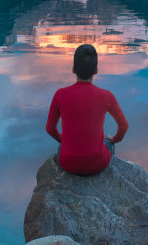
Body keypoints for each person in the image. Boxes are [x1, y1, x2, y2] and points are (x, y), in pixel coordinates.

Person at [45, 43, 129, 175]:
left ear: (73, 69)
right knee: (108, 145)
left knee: (60, 147)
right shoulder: (106, 96)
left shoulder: (60, 94)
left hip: (67, 163)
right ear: (96, 70)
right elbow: (123, 126)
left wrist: (64, 140)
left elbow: (50, 128)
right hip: (97, 164)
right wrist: (113, 139)